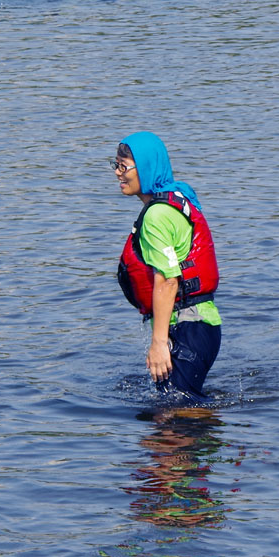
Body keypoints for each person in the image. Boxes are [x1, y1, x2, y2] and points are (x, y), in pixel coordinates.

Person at [114, 131, 222, 399]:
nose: (118, 173)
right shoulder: (176, 196)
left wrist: (159, 344)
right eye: (115, 165)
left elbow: (168, 280)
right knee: (177, 414)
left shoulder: (157, 216)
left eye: (124, 166)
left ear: (146, 167)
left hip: (187, 326)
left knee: (172, 421)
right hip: (201, 325)